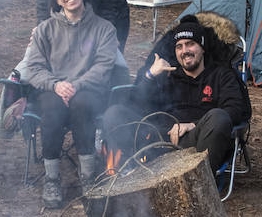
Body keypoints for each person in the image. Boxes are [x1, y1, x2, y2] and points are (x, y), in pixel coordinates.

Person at [18, 0, 121, 208]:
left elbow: (103, 66)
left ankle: (87, 176)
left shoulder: (104, 29)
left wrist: (76, 85)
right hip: (53, 89)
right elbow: (33, 68)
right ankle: (52, 179)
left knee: (82, 103)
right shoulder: (45, 30)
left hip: (88, 89)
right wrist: (56, 85)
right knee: (52, 108)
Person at [101, 14, 250, 175]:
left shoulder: (221, 75)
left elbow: (235, 109)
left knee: (218, 117)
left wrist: (192, 124)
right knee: (114, 113)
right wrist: (150, 75)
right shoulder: (167, 74)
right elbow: (135, 104)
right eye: (179, 46)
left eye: (190, 44)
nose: (185, 51)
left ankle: (198, 180)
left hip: (195, 141)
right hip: (159, 140)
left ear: (202, 48)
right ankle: (136, 174)